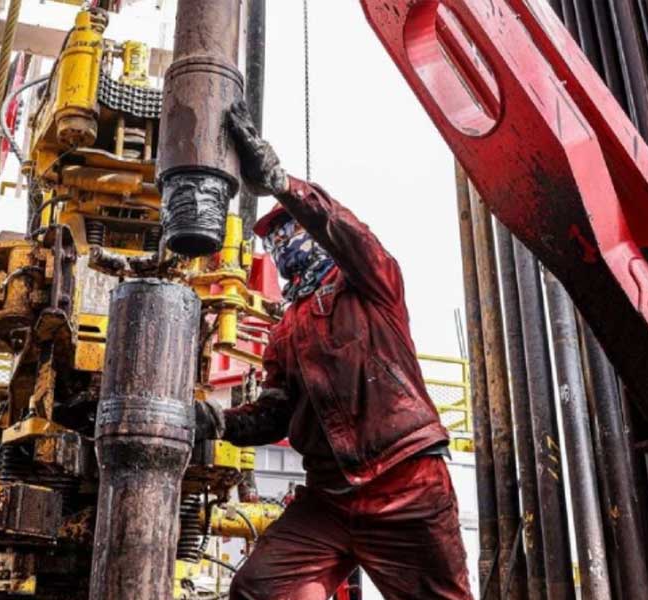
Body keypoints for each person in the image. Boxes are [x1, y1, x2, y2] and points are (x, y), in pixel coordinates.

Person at [195, 100, 473, 600]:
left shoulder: (371, 286)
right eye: (275, 240)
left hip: (405, 490)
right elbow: (276, 416)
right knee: (259, 590)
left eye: (290, 232)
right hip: (329, 501)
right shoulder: (287, 331)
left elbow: (347, 233)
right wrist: (218, 423)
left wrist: (283, 184)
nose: (283, 247)